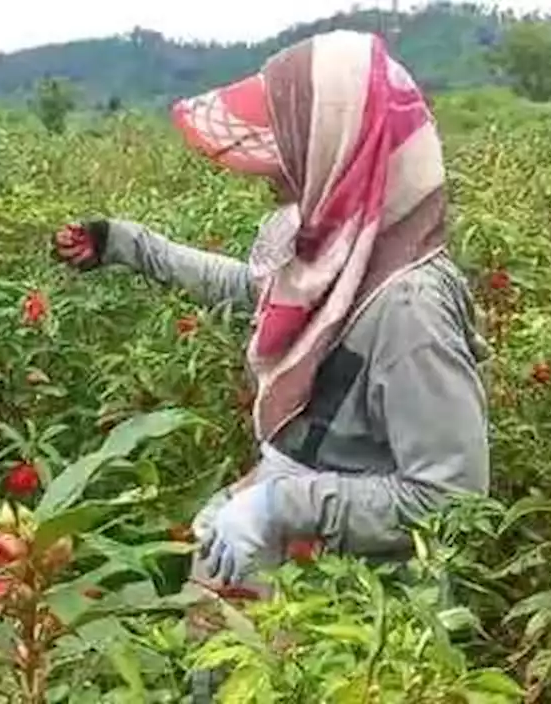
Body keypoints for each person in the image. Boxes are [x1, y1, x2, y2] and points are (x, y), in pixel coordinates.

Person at [52, 28, 489, 697]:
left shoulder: (408, 308)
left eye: (286, 145)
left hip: (361, 620)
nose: (270, 168)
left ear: (339, 147)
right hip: (305, 565)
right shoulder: (348, 251)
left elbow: (448, 500)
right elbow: (252, 290)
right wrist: (127, 245)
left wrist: (281, 506)